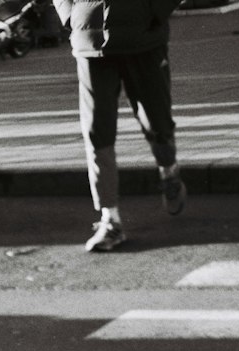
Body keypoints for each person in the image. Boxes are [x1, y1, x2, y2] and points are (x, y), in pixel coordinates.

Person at [53, 0, 186, 251]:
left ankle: (169, 171)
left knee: (156, 120)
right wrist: (71, 17)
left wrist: (153, 11)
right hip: (90, 38)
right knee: (97, 130)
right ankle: (109, 218)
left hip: (143, 37)